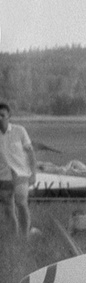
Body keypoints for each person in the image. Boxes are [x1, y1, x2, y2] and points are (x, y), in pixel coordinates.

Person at [0, 102, 38, 238]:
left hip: (21, 173)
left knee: (21, 202)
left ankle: (25, 235)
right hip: (3, 176)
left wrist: (33, 173)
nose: (0, 118)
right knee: (7, 208)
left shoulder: (19, 131)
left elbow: (30, 153)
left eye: (2, 115)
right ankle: (14, 236)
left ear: (9, 116)